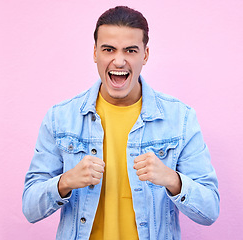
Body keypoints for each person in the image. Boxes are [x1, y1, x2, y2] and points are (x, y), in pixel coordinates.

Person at [22, 6, 220, 240]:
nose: (119, 60)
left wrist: (172, 180)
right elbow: (30, 208)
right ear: (95, 52)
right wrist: (65, 182)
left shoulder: (180, 119)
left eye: (130, 50)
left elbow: (210, 211)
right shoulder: (60, 118)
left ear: (145, 55)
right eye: (108, 49)